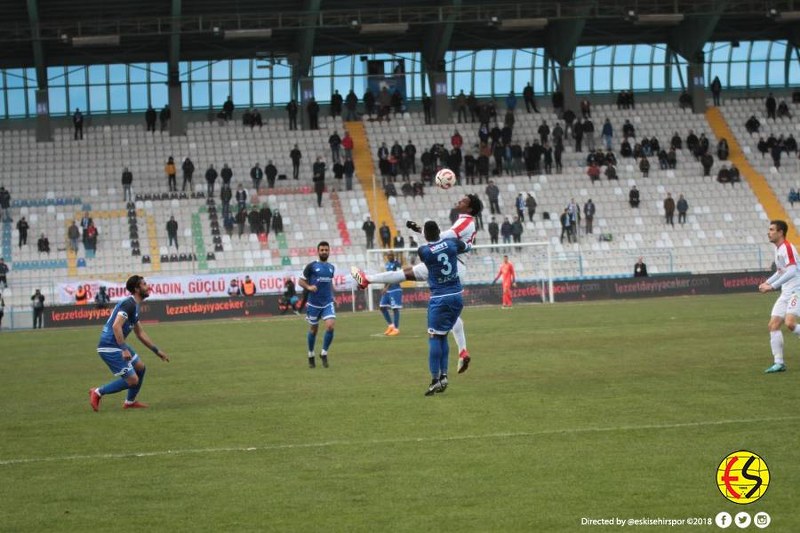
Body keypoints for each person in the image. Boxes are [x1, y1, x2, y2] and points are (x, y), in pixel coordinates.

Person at [351, 194, 483, 374]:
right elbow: (444, 238)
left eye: (464, 201)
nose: (459, 200)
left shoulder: (466, 220)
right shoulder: (465, 220)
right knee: (451, 314)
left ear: (469, 208)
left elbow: (443, 237)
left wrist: (422, 230)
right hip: (455, 267)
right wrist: (421, 229)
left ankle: (368, 279)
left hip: (448, 265)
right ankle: (462, 351)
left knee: (404, 274)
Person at [89, 275, 170, 411]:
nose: (147, 286)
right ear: (137, 289)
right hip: (109, 346)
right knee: (132, 380)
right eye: (144, 284)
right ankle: (97, 392)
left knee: (140, 368)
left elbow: (140, 333)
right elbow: (116, 326)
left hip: (116, 344)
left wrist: (157, 351)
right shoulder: (129, 304)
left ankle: (130, 402)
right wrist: (123, 348)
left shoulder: (135, 306)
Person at [418, 220, 469, 396]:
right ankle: (444, 376)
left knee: (434, 337)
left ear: (425, 235)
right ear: (440, 231)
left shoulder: (423, 251)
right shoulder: (451, 244)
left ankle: (434, 380)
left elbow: (428, 252)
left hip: (439, 297)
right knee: (443, 335)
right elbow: (465, 246)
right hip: (457, 295)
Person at [759, 220, 800, 374]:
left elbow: (791, 271)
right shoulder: (779, 249)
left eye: (771, 229)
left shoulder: (787, 248)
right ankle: (779, 363)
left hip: (797, 290)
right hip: (786, 292)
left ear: (780, 232)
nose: (768, 232)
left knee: (790, 323)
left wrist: (772, 287)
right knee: (773, 325)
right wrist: (767, 282)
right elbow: (781, 271)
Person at [298, 241, 336, 369]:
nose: (324, 252)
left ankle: (324, 353)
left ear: (329, 251)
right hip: (314, 304)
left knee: (330, 326)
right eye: (322, 250)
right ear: (318, 251)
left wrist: (333, 296)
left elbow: (329, 283)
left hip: (327, 302)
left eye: (326, 250)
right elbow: (300, 281)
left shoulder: (331, 267)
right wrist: (309, 286)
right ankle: (311, 354)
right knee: (314, 330)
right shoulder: (311, 266)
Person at [378, 251, 403, 336]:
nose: (389, 257)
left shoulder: (397, 264)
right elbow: (387, 277)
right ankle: (391, 326)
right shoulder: (387, 264)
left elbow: (395, 277)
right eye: (388, 255)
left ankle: (396, 329)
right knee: (382, 307)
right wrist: (384, 287)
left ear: (394, 256)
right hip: (388, 289)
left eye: (391, 255)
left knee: (395, 309)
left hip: (395, 289)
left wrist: (386, 287)